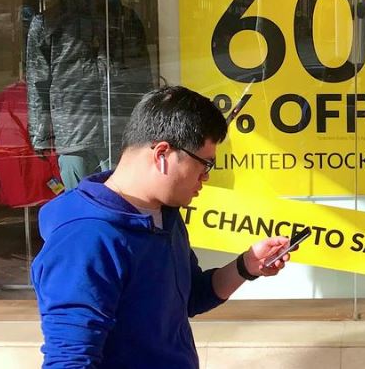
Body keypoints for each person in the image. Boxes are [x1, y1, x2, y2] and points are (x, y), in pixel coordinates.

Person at [31, 86, 295, 368]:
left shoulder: (164, 214)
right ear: (162, 154)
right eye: (204, 165)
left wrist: (247, 265)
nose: (205, 178)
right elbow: (69, 360)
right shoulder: (85, 240)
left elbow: (190, 297)